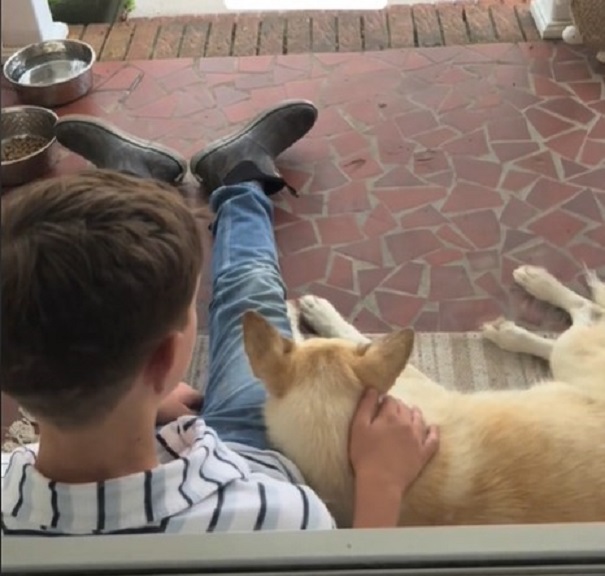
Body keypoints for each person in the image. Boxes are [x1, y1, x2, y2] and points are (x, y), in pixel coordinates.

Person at [1, 100, 439, 535]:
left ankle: (133, 174)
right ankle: (241, 172)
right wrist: (382, 482)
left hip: (155, 428)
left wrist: (140, 400)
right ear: (166, 357)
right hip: (245, 454)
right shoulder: (281, 517)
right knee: (249, 296)